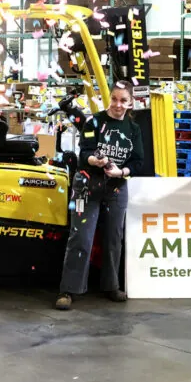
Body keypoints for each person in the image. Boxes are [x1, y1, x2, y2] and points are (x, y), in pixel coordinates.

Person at [56, 80, 144, 311]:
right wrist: (95, 160)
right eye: (114, 99)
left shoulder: (133, 130)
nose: (117, 104)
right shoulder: (94, 121)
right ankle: (69, 289)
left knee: (114, 239)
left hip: (116, 187)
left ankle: (111, 285)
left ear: (131, 102)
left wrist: (121, 171)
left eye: (123, 100)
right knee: (80, 237)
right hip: (86, 185)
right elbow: (84, 151)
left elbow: (139, 162)